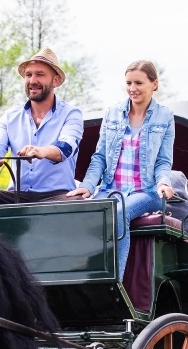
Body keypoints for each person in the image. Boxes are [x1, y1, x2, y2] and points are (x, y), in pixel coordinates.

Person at [66, 60, 175, 280]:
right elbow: (99, 157)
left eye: (139, 83)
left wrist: (164, 182)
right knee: (84, 213)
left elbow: (163, 161)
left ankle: (115, 282)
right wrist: (88, 186)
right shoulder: (112, 113)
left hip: (146, 191)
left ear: (154, 84)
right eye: (128, 83)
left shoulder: (165, 117)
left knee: (118, 213)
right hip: (110, 189)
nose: (132, 88)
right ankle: (82, 278)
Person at [0, 47, 83, 206]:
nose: (32, 81)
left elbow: (65, 148)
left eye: (40, 74)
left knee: (77, 202)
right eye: (28, 75)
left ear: (55, 80)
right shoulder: (10, 116)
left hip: (56, 196)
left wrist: (41, 151)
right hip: (16, 196)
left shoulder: (71, 114)